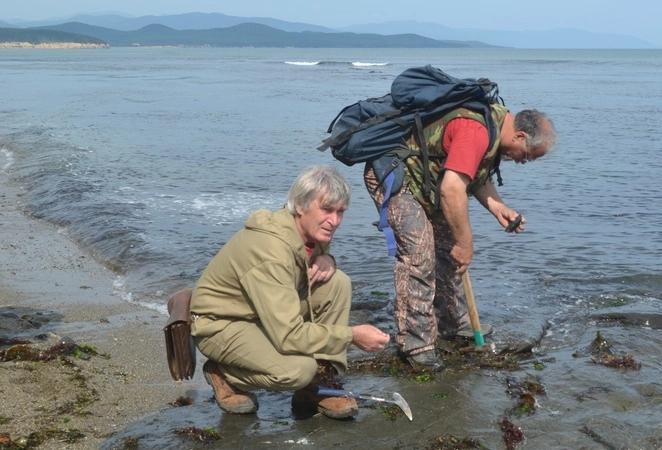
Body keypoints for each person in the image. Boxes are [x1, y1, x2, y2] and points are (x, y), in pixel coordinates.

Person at [364, 102, 557, 372]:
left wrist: (497, 206)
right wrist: (466, 244)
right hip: (396, 178)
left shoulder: (495, 125)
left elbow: (476, 173)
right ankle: (415, 344)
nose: (523, 162)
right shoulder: (475, 130)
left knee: (447, 251)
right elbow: (452, 190)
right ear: (520, 136)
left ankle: (452, 323)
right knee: (419, 256)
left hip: (429, 181)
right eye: (527, 156)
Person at [190, 165, 390, 418]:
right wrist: (351, 335)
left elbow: (308, 259)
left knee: (337, 282)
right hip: (220, 323)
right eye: (327, 209)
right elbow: (289, 336)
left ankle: (318, 385)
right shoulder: (271, 251)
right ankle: (225, 373)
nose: (335, 221)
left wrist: (327, 259)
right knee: (297, 370)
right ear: (299, 205)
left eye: (341, 212)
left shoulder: (312, 231)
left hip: (258, 312)